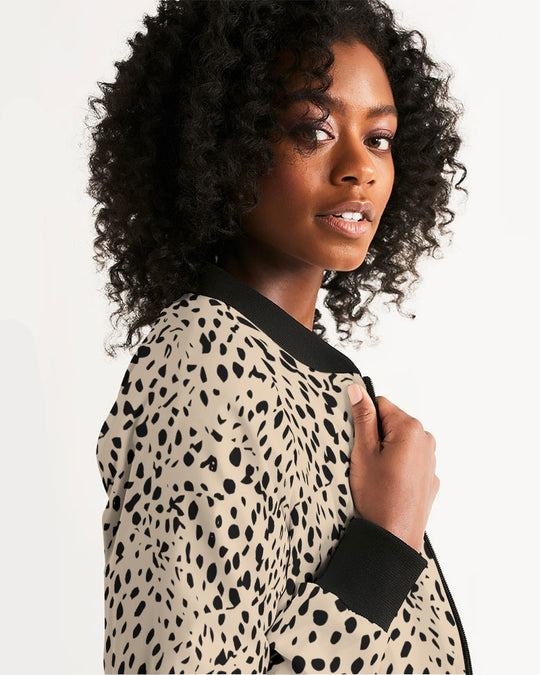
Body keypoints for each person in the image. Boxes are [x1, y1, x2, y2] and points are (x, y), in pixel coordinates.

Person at [87, 1, 472, 673]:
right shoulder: (202, 361)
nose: (360, 167)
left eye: (379, 138)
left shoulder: (295, 372)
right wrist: (386, 543)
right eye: (313, 130)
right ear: (222, 144)